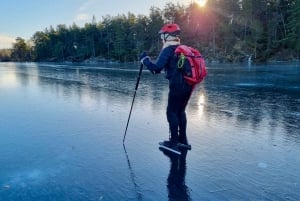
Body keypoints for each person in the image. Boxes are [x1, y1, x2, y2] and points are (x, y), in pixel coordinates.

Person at [140, 23, 193, 149]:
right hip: (188, 85)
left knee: (171, 112)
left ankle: (174, 143)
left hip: (177, 86)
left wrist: (145, 60)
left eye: (162, 35)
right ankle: (183, 141)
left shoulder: (168, 49)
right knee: (180, 111)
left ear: (168, 36)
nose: (161, 37)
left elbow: (156, 69)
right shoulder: (182, 48)